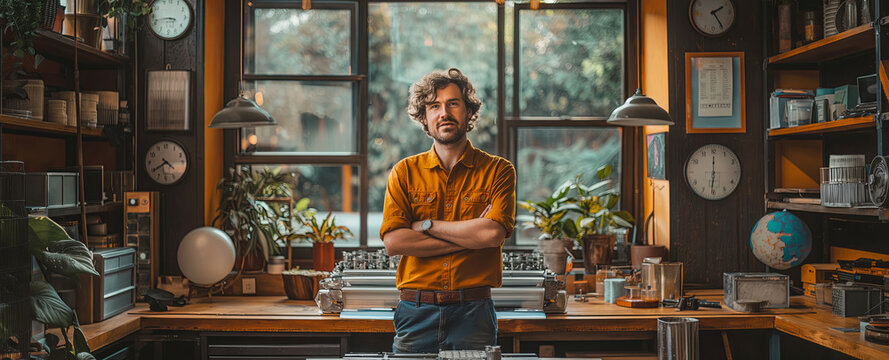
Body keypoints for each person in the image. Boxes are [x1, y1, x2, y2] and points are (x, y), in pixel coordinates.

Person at [380, 68, 516, 354]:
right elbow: (394, 243)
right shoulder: (404, 172)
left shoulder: (498, 171)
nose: (444, 112)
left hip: (474, 313)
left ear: (468, 112)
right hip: (415, 311)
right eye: (434, 106)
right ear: (424, 118)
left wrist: (425, 225)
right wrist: (468, 235)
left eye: (453, 103)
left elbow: (491, 234)